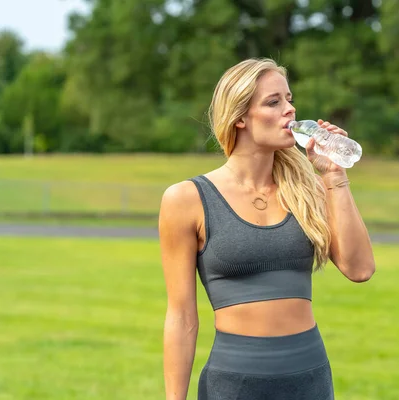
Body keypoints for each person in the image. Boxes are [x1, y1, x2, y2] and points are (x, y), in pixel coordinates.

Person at [158, 57, 376, 400]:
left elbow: (360, 269)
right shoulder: (186, 199)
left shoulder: (310, 190)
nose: (289, 110)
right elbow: (182, 317)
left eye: (289, 99)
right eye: (274, 102)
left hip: (309, 380)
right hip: (232, 385)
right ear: (240, 117)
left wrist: (335, 175)